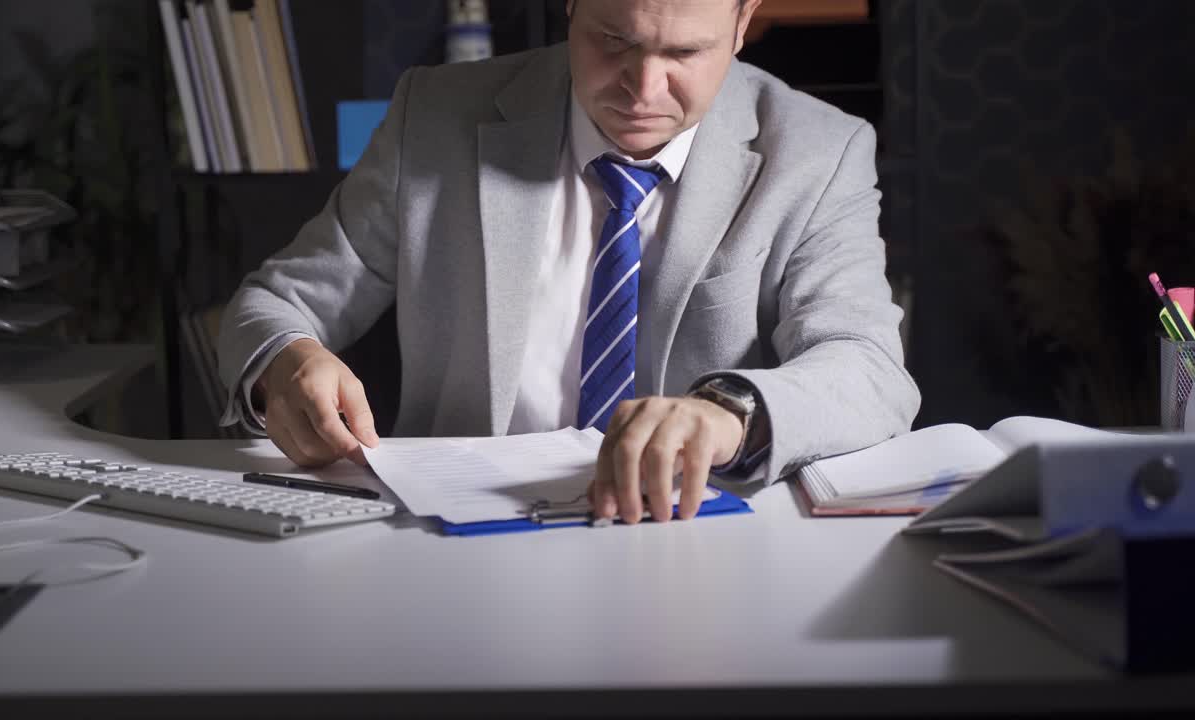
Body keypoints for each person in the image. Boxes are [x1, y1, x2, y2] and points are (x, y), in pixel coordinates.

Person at [217, 0, 920, 524]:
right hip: (450, 540)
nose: (643, 89)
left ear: (741, 25)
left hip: (697, 547)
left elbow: (867, 368)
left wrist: (729, 412)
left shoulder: (819, 152)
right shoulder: (432, 117)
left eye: (684, 54)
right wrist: (286, 363)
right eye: (614, 42)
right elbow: (273, 305)